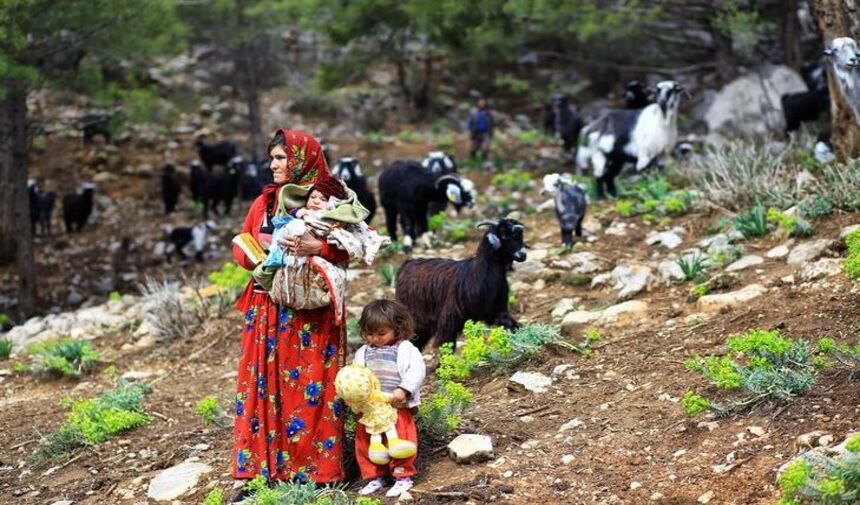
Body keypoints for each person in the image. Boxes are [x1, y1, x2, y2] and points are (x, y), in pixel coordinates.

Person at [231, 129, 363, 501]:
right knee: (263, 388)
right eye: (271, 158)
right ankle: (262, 473)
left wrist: (315, 246)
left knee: (311, 389)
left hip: (312, 315)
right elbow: (242, 244)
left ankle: (317, 474)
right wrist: (260, 256)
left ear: (301, 161)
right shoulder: (265, 203)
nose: (272, 165)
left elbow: (352, 245)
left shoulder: (332, 201)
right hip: (267, 307)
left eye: (280, 158)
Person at [352, 300, 426, 498]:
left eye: (381, 333)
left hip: (396, 405)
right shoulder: (363, 352)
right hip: (371, 409)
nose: (375, 338)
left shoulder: (406, 349)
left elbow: (416, 370)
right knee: (365, 441)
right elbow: (357, 376)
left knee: (401, 439)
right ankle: (374, 476)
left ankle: (403, 476)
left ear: (397, 328)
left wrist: (403, 390)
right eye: (370, 333)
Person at [466, 96, 493, 161]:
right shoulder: (473, 112)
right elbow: (469, 122)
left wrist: (491, 132)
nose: (482, 104)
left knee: (485, 147)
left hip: (485, 132)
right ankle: (473, 161)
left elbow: (491, 123)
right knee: (474, 147)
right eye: (480, 102)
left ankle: (484, 161)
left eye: (483, 102)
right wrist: (469, 131)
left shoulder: (488, 112)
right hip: (475, 132)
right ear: (477, 103)